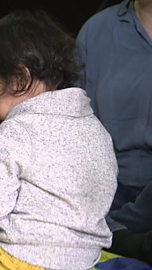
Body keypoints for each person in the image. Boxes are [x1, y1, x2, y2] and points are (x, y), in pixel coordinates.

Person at [0, 10, 118, 270]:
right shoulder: (94, 127)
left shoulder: (17, 128)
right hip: (84, 259)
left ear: (21, 78)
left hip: (22, 258)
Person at [77, 0, 152, 264]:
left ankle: (112, 236)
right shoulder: (97, 30)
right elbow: (71, 116)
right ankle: (124, 238)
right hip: (108, 183)